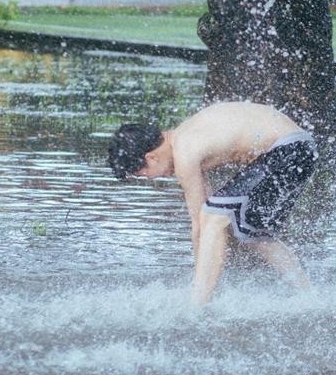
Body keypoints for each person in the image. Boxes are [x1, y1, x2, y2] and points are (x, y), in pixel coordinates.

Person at [108, 101, 318, 304]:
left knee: (214, 216)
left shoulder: (184, 151)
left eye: (144, 174)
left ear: (151, 157)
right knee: (254, 234)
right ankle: (310, 297)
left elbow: (201, 223)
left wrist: (199, 281)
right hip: (300, 149)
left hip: (290, 150)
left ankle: (198, 306)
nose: (153, 178)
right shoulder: (185, 135)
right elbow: (206, 211)